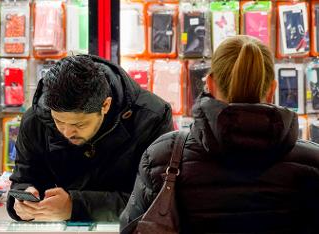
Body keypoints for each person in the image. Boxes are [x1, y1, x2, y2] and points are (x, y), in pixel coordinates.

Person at [120, 35, 319, 233]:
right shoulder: (312, 161)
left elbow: (130, 227)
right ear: (272, 89)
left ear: (211, 83)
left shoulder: (163, 155)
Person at [6, 55, 173, 222]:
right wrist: (23, 202)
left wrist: (75, 206)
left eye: (79, 125)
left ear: (105, 105)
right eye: (58, 121)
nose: (67, 132)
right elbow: (23, 179)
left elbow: (157, 201)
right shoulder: (36, 119)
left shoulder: (152, 117)